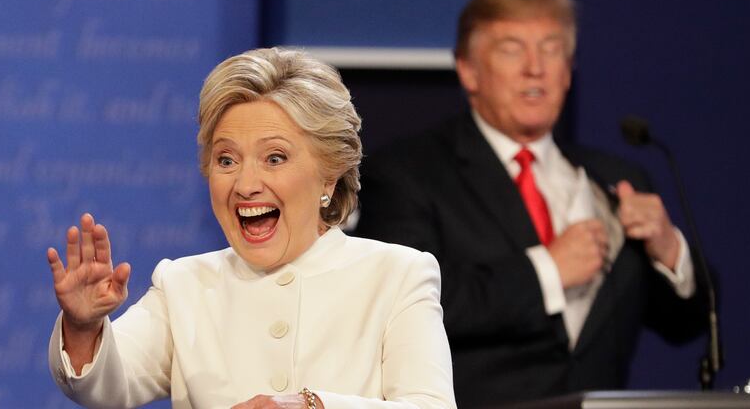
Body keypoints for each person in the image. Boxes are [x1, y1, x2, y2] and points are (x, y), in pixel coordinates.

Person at [354, 0, 710, 407]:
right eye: (511, 49)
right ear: (469, 70)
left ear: (568, 70)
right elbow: (404, 306)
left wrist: (669, 251)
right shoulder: (407, 173)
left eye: (551, 49)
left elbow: (685, 325)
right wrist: (547, 272)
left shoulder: (618, 180)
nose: (534, 68)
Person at [46, 48, 456, 409]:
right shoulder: (183, 285)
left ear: (329, 176)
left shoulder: (397, 275)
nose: (245, 185)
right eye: (226, 160)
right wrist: (83, 327)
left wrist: (313, 407)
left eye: (274, 158)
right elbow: (106, 388)